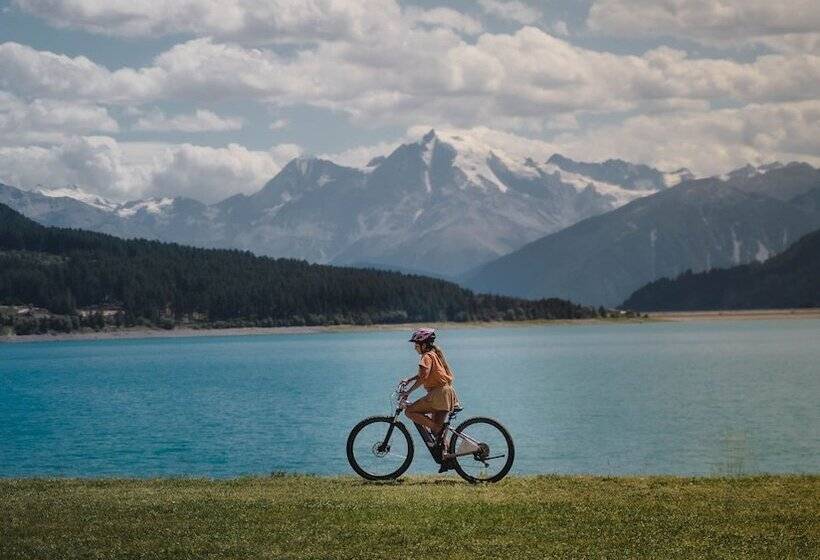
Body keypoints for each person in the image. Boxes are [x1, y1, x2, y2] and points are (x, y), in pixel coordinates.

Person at [400, 328, 460, 472]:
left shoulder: (426, 356)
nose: (415, 347)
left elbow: (423, 377)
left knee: (409, 411)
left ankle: (436, 429)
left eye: (416, 344)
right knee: (437, 432)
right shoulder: (433, 354)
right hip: (446, 393)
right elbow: (423, 373)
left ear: (424, 345)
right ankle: (448, 459)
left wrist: (407, 392)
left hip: (438, 395)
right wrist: (409, 379)